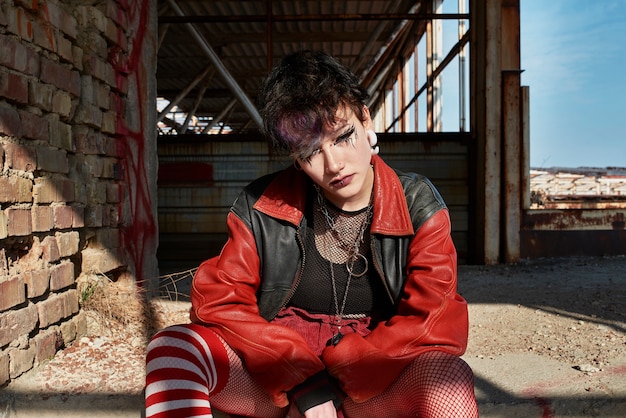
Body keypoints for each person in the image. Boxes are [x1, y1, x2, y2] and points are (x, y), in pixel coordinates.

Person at [145, 50, 478, 418]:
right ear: (294, 157)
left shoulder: (418, 205)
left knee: (450, 378)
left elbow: (434, 320)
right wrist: (300, 378)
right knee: (173, 348)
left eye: (342, 137)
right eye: (310, 152)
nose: (334, 164)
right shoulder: (261, 206)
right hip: (280, 384)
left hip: (372, 386)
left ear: (365, 119)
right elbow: (219, 302)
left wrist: (341, 374)